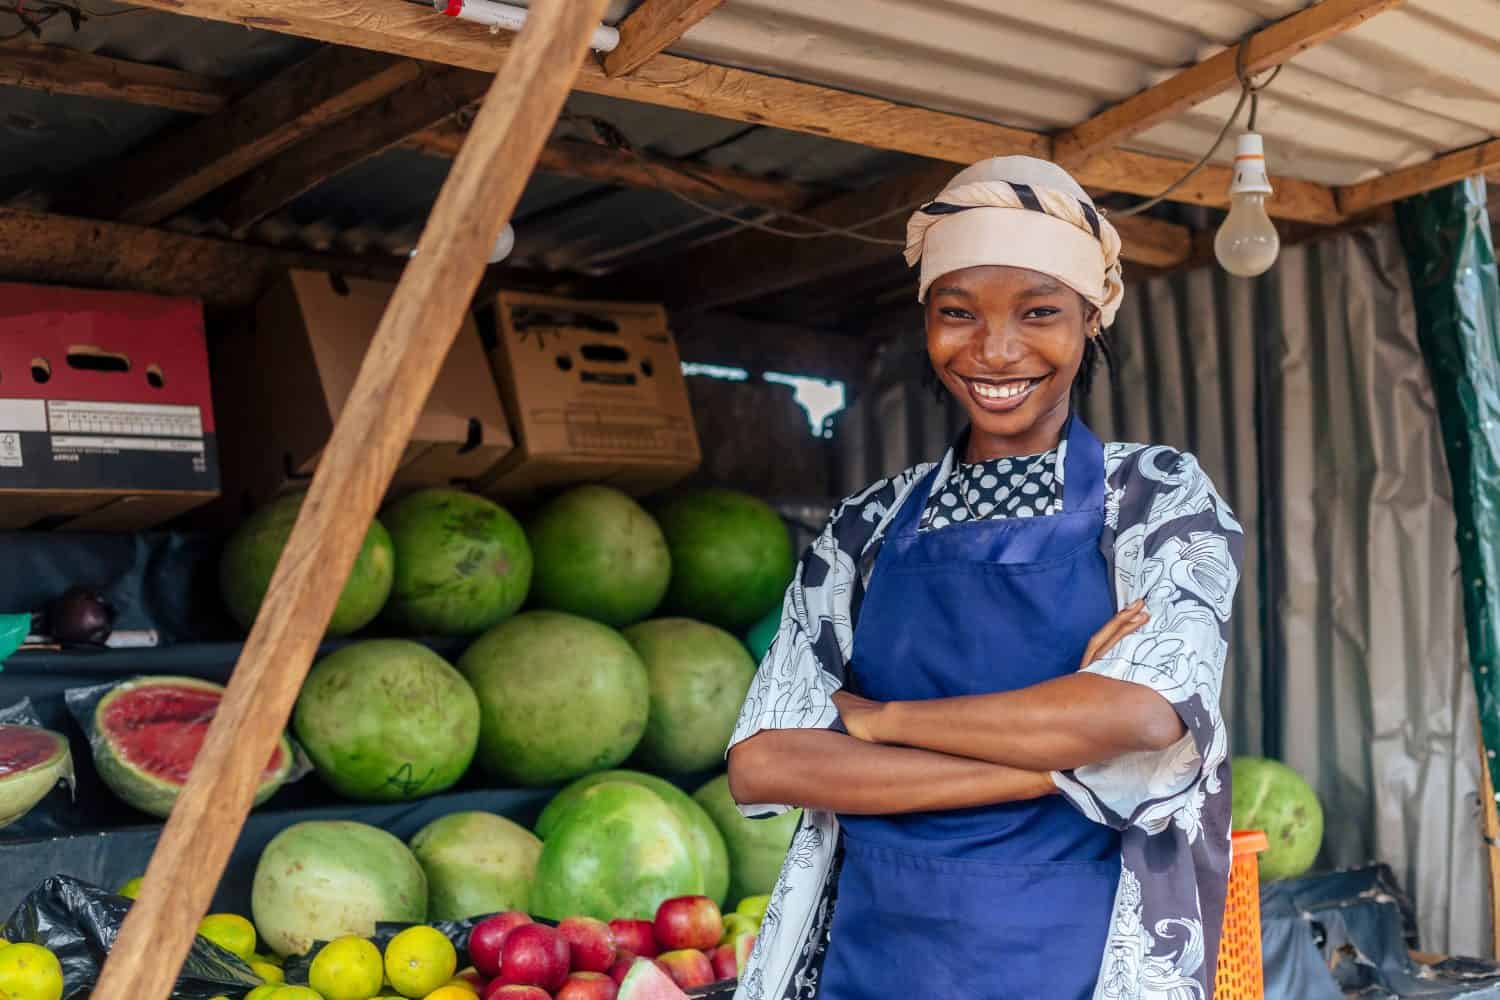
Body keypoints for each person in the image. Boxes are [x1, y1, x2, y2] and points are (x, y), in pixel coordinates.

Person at [725, 156, 1244, 1000]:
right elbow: (767, 761)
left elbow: (1143, 715)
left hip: (1075, 953)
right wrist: (1057, 761)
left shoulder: (1154, 499)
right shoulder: (866, 526)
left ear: (1090, 321)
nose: (996, 349)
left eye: (1039, 312)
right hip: (878, 954)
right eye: (956, 313)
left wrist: (883, 721)